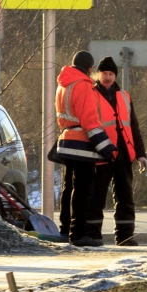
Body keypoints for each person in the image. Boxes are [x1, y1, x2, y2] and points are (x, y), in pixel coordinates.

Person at [55, 50, 117, 247]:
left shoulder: (63, 84)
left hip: (66, 141)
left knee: (69, 187)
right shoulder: (83, 86)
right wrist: (106, 148)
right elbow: (90, 121)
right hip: (82, 144)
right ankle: (78, 233)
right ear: (90, 68)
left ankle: (65, 229)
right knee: (82, 189)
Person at [86, 57, 147, 246]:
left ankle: (125, 236)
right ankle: (94, 235)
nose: (107, 77)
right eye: (104, 73)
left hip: (124, 154)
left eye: (111, 74)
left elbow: (134, 127)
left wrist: (140, 154)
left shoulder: (124, 96)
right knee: (96, 197)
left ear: (115, 76)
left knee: (125, 197)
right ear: (98, 74)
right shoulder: (91, 94)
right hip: (101, 154)